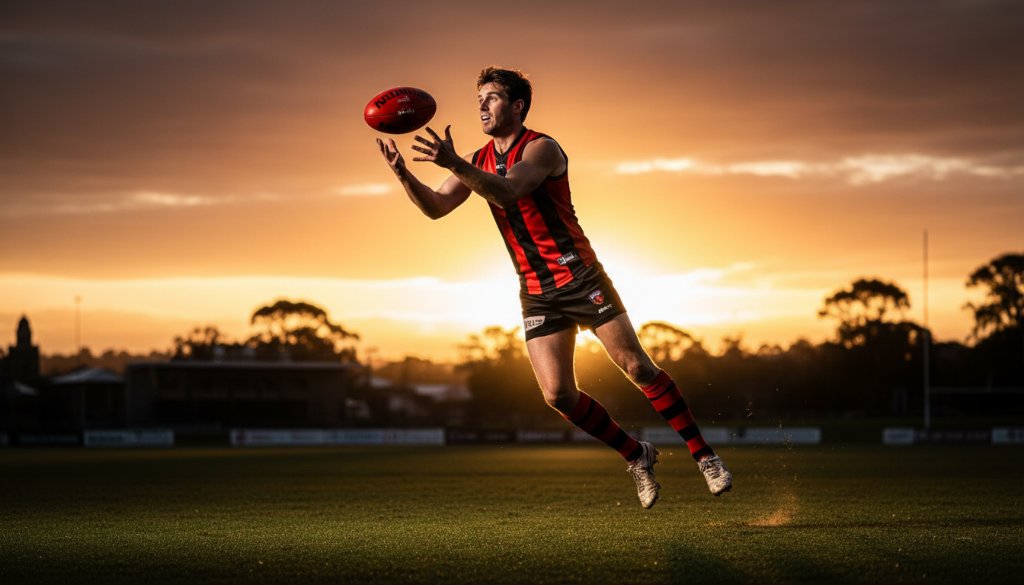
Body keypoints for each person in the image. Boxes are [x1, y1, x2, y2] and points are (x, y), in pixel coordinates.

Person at [376, 66, 731, 509]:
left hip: (580, 276)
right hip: (536, 289)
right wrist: (403, 175)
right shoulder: (478, 158)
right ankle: (637, 455)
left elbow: (509, 192)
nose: (482, 106)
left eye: (492, 98)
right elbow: (436, 207)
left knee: (637, 367)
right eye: (479, 99)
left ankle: (705, 457)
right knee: (558, 395)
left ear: (517, 105)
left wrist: (453, 163)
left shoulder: (542, 148)